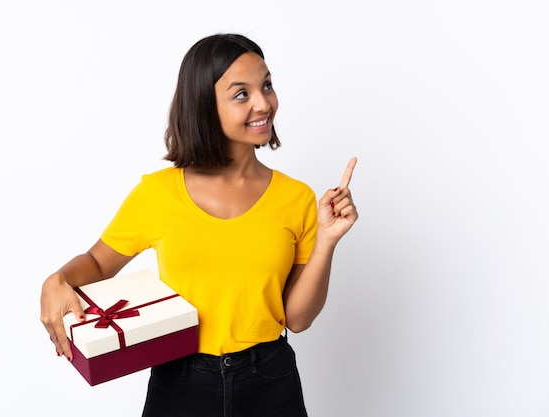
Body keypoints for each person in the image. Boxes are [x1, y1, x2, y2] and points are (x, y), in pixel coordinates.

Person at [40, 33, 358, 417]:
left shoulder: (297, 198)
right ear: (204, 106)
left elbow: (299, 319)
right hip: (180, 378)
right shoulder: (157, 193)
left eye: (267, 85)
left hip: (270, 379)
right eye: (241, 93)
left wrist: (326, 240)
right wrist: (56, 280)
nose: (263, 102)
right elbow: (97, 264)